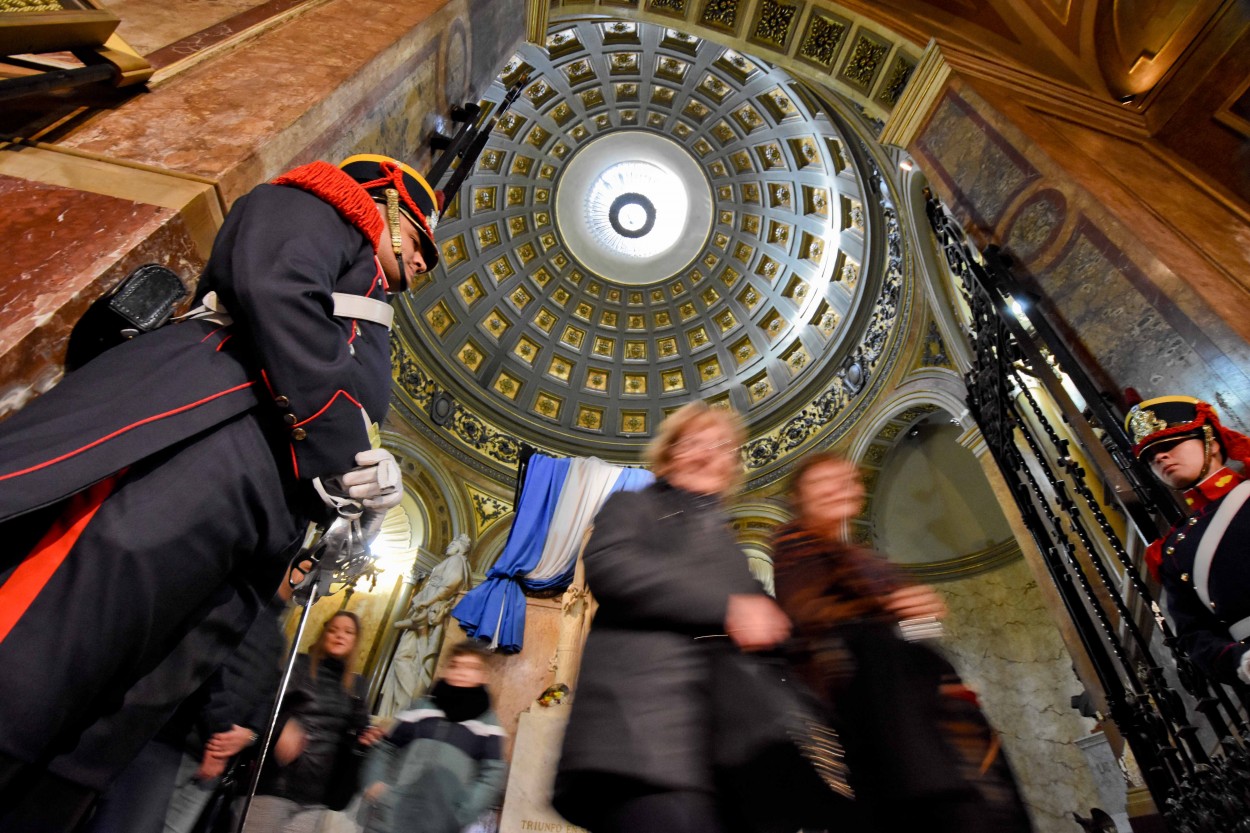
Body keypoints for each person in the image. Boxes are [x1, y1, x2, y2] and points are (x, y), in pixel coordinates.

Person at [0, 153, 439, 832]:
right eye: (414, 237)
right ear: (380, 201)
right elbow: (277, 284)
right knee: (41, 664)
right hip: (199, 441)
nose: (420, 264)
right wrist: (348, 450)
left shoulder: (373, 298)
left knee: (96, 734)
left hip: (256, 517)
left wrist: (351, 500)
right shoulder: (325, 207)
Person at [553, 402, 796, 833]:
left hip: (715, 755)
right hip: (640, 742)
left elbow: (774, 626)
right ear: (669, 455)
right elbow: (612, 564)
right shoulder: (634, 506)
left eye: (722, 446)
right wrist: (727, 608)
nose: (708, 453)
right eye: (694, 443)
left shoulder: (730, 549)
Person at [772, 451, 1030, 833]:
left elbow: (913, 622)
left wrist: (914, 613)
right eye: (822, 482)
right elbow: (808, 613)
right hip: (876, 710)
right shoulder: (795, 542)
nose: (838, 488)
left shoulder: (858, 555)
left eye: (846, 480)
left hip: (912, 703)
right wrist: (888, 606)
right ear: (800, 496)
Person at [1126, 395, 1250, 684]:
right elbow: (1194, 634)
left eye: (1169, 444)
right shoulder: (1173, 550)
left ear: (1212, 441)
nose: (1159, 458)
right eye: (1150, 457)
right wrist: (1239, 662)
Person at [245, 610, 382, 832]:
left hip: (316, 797)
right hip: (276, 785)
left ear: (355, 641)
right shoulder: (298, 666)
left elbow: (357, 733)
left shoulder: (356, 686)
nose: (340, 636)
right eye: (334, 630)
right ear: (323, 634)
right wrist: (282, 728)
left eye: (348, 632)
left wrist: (368, 737)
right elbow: (263, 706)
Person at [358, 640, 507, 833]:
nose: (461, 672)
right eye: (455, 665)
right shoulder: (421, 708)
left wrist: (460, 813)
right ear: (445, 670)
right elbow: (387, 747)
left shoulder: (488, 725)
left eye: (471, 667)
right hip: (390, 816)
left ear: (483, 675)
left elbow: (492, 776)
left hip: (439, 823)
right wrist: (375, 784)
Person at [377, 534, 473, 718]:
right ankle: (402, 706)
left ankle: (406, 706)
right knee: (410, 658)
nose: (448, 546)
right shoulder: (453, 560)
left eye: (452, 543)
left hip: (428, 615)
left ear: (461, 547)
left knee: (407, 657)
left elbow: (451, 584)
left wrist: (427, 601)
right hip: (425, 613)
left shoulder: (457, 560)